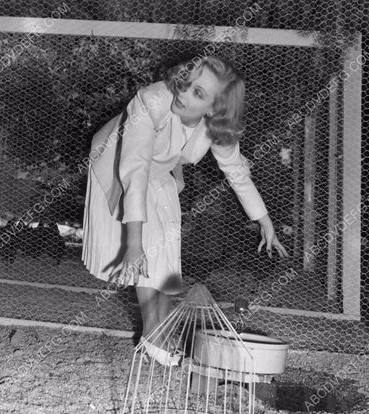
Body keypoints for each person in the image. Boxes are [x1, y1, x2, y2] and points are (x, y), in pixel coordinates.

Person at [82, 55, 288, 366]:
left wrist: (265, 221)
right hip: (117, 162)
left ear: (215, 109)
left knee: (168, 244)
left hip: (159, 171)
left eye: (199, 94)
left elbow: (235, 170)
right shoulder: (151, 100)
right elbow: (135, 170)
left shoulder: (215, 126)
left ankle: (158, 331)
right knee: (149, 239)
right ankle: (152, 334)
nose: (184, 92)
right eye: (188, 84)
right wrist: (134, 244)